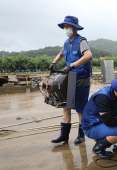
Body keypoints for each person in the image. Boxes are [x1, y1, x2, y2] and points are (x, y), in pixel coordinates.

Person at [49, 16, 92, 144]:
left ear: (74, 28)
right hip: (69, 79)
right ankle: (64, 135)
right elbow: (61, 54)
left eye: (68, 27)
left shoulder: (81, 41)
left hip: (81, 79)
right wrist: (54, 62)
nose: (66, 29)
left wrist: (72, 65)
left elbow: (89, 56)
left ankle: (81, 134)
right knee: (66, 106)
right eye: (65, 27)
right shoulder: (66, 42)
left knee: (80, 109)